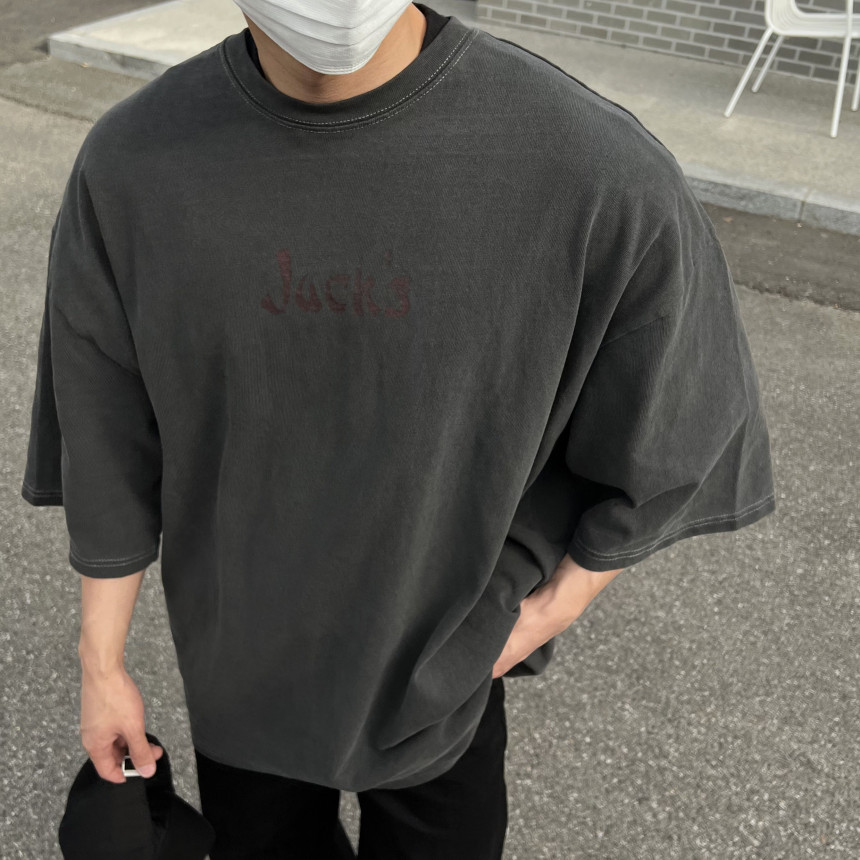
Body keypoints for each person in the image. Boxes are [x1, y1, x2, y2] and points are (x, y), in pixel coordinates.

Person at [20, 1, 777, 857]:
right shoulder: (134, 165)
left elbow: (681, 408)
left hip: (446, 669)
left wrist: (557, 602)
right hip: (243, 674)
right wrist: (101, 664)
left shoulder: (586, 165)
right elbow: (104, 428)